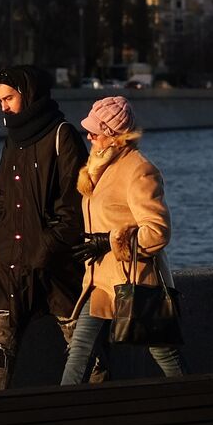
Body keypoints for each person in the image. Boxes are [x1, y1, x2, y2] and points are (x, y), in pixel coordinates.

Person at [61, 95, 185, 383]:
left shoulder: (139, 170)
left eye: (95, 131)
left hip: (135, 281)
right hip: (99, 281)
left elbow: (157, 232)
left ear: (113, 134)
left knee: (164, 354)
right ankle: (61, 411)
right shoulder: (97, 167)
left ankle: (200, 404)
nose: (89, 136)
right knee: (79, 350)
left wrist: (108, 241)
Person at [0, 65, 88, 391]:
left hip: (55, 267)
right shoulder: (13, 139)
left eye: (9, 98)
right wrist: (0, 238)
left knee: (84, 353)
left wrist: (45, 248)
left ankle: (99, 417)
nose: (4, 106)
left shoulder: (62, 135)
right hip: (12, 264)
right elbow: (0, 196)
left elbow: (75, 204)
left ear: (28, 94)